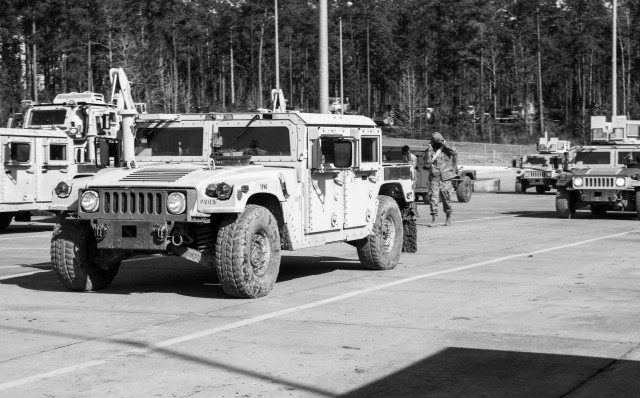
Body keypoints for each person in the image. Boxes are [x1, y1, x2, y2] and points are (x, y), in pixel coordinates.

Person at [425, 132, 457, 227]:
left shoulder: (447, 149)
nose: (436, 143)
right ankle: (434, 220)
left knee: (446, 198)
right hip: (434, 178)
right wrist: (429, 150)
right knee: (433, 199)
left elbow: (455, 152)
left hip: (445, 178)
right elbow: (426, 161)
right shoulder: (431, 150)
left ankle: (448, 217)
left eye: (437, 141)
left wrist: (445, 145)